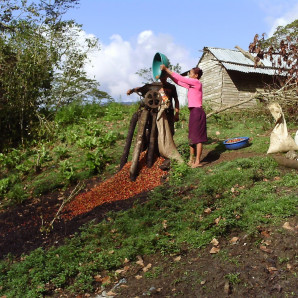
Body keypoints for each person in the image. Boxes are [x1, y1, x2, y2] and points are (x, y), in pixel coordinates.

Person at [160, 64, 207, 168]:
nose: (188, 74)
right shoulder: (192, 85)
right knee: (192, 137)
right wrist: (169, 75)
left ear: (196, 75)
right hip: (194, 112)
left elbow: (181, 78)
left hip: (197, 111)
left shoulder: (196, 82)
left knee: (198, 138)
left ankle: (197, 161)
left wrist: (166, 70)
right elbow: (178, 81)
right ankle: (191, 160)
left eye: (190, 73)